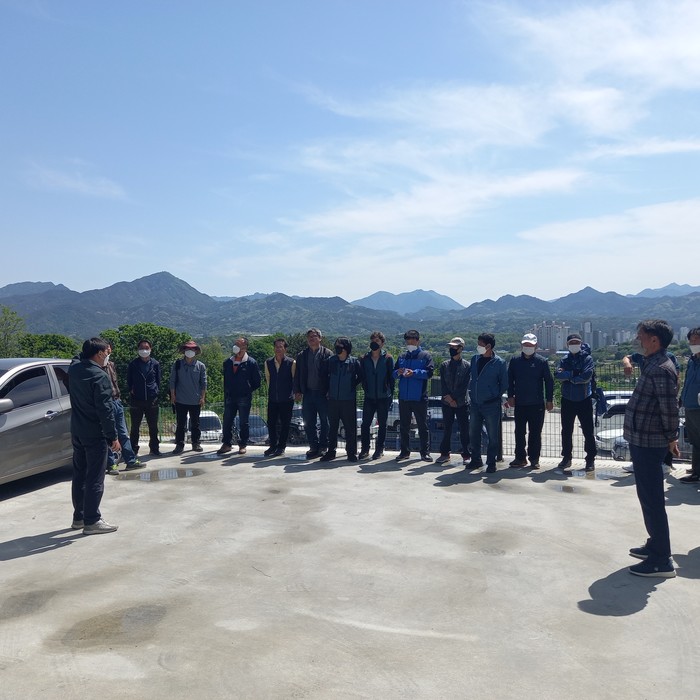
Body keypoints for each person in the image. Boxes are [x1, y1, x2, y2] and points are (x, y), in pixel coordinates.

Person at [624, 319, 679, 578]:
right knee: (647, 496)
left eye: (641, 336)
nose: (638, 339)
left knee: (652, 499)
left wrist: (672, 438)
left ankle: (661, 560)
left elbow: (669, 408)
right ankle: (655, 544)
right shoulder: (652, 362)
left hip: (650, 441)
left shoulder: (662, 369)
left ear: (654, 340)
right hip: (642, 440)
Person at [68, 337, 120, 535]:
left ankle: (79, 517)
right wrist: (112, 437)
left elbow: (76, 357)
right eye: (106, 352)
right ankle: (92, 521)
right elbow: (105, 411)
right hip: (95, 433)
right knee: (95, 478)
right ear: (99, 354)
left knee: (80, 475)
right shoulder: (100, 376)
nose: (108, 355)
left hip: (77, 431)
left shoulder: (75, 369)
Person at [621, 349, 680, 474]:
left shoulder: (667, 359)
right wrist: (627, 363)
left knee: (664, 429)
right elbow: (627, 357)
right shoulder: (642, 355)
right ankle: (637, 462)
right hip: (647, 397)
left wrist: (673, 395)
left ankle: (666, 463)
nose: (639, 342)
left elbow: (676, 378)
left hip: (660, 396)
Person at [506, 333, 554, 470]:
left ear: (536, 346)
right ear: (521, 345)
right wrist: (510, 396)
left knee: (535, 433)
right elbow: (509, 379)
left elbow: (549, 381)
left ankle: (534, 459)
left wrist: (549, 400)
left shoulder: (541, 361)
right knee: (519, 432)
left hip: (537, 404)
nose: (528, 347)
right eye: (525, 345)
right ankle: (520, 458)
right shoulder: (515, 360)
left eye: (530, 345)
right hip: (520, 403)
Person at [555, 333, 597, 473]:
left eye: (576, 342)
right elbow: (557, 375)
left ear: (581, 343)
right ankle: (566, 457)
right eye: (571, 342)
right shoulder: (564, 359)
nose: (574, 345)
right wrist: (575, 374)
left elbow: (586, 376)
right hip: (567, 399)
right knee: (566, 431)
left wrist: (568, 376)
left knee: (588, 431)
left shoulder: (587, 358)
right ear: (567, 345)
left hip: (584, 399)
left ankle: (590, 459)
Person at [468, 333, 508, 473]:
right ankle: (476, 460)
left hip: (491, 405)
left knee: (492, 435)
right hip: (475, 403)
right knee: (474, 433)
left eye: (481, 344)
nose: (478, 346)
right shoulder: (474, 359)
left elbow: (504, 383)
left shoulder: (499, 363)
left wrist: (494, 396)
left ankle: (491, 462)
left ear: (489, 346)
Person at [393, 330, 434, 462]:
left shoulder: (425, 356)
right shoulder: (402, 356)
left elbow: (429, 373)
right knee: (404, 426)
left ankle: (425, 452)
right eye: (408, 340)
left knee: (422, 426)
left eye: (412, 340)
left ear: (418, 341)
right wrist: (398, 372)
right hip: (404, 397)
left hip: (419, 397)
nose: (409, 342)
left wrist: (414, 373)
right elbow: (393, 373)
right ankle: (404, 452)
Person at [320, 337, 362, 462]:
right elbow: (323, 377)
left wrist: (351, 385)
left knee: (350, 428)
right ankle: (331, 452)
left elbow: (361, 377)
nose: (337, 347)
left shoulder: (354, 362)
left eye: (340, 346)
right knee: (332, 428)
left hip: (348, 400)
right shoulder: (330, 361)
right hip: (333, 400)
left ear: (346, 348)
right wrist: (327, 391)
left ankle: (351, 453)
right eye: (336, 345)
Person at [218, 337, 261, 456]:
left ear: (245, 347)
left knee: (243, 422)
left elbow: (257, 381)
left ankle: (243, 444)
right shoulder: (228, 362)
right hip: (230, 397)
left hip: (244, 397)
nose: (236, 346)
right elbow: (226, 380)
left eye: (239, 344)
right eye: (235, 344)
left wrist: (247, 389)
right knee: (227, 420)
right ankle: (226, 443)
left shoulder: (251, 362)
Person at [293, 328, 333, 458]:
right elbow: (298, 374)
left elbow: (331, 375)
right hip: (308, 393)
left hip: (323, 394)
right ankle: (313, 446)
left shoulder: (328, 354)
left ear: (320, 338)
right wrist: (297, 390)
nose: (311, 338)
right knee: (309, 422)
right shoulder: (302, 355)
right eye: (309, 336)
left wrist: (330, 391)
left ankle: (323, 446)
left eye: (314, 336)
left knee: (325, 422)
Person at [103, 343, 142, 475]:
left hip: (116, 401)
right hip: (106, 403)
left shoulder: (111, 364)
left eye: (109, 347)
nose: (108, 350)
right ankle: (111, 464)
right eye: (105, 348)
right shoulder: (97, 367)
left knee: (123, 433)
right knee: (108, 434)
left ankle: (130, 460)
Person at [358, 331, 394, 460]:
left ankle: (379, 449)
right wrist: (366, 388)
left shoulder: (388, 358)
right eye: (372, 340)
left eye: (377, 340)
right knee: (365, 424)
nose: (374, 342)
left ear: (382, 343)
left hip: (383, 397)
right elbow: (362, 376)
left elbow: (391, 379)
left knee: (382, 425)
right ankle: (365, 449)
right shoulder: (364, 359)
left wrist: (390, 395)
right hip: (369, 397)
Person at [436, 337, 471, 466]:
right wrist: (449, 399)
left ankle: (466, 454)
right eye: (451, 347)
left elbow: (464, 386)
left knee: (464, 429)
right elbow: (443, 384)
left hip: (462, 403)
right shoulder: (444, 365)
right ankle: (445, 453)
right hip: (447, 403)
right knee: (447, 428)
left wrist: (454, 399)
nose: (452, 349)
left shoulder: (467, 366)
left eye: (454, 347)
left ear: (461, 348)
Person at [170, 340, 207, 455]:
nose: (190, 351)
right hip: (180, 399)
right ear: (184, 351)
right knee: (180, 424)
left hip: (195, 400)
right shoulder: (177, 364)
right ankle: (179, 444)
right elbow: (172, 381)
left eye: (192, 349)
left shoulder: (200, 366)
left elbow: (203, 383)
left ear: (196, 351)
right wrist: (173, 396)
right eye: (187, 349)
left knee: (195, 424)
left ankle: (196, 443)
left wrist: (202, 397)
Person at [126, 339, 162, 457]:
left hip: (152, 400)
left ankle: (154, 448)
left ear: (150, 349)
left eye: (146, 348)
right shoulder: (133, 364)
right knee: (135, 427)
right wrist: (132, 389)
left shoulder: (155, 364)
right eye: (141, 348)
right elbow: (129, 380)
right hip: (136, 400)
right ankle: (133, 450)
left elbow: (158, 380)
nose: (144, 350)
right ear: (138, 350)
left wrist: (155, 392)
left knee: (153, 427)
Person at [263, 338, 296, 457]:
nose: (278, 349)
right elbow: (268, 379)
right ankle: (273, 445)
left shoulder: (292, 362)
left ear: (285, 349)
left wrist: (294, 393)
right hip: (273, 398)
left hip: (287, 399)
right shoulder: (268, 362)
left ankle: (281, 447)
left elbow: (294, 379)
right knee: (271, 423)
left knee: (285, 424)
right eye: (276, 346)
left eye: (281, 347)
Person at [679, 327, 700, 484]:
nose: (693, 343)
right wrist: (682, 398)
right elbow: (687, 382)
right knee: (695, 440)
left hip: (698, 407)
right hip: (690, 406)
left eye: (696, 339)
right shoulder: (692, 360)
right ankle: (696, 469)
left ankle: (697, 473)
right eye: (691, 340)